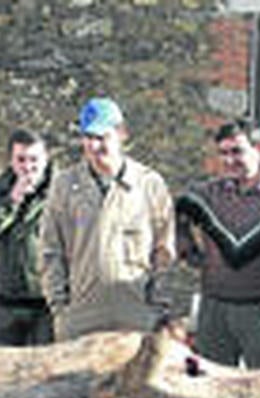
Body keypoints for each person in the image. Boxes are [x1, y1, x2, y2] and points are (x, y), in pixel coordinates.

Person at [38, 97, 175, 340]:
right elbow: (50, 250)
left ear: (122, 133)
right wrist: (60, 307)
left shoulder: (149, 185)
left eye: (102, 137)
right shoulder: (64, 186)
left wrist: (156, 307)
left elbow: (164, 251)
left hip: (135, 316)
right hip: (80, 317)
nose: (94, 146)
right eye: (88, 137)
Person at [175, 118, 260, 372]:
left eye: (237, 151)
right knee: (210, 392)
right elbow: (175, 215)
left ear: (259, 148)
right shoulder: (205, 195)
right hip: (215, 311)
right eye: (223, 153)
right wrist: (189, 252)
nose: (229, 160)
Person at [0, 128, 54, 346]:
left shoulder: (62, 192)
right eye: (21, 159)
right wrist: (10, 201)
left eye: (34, 159)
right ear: (11, 161)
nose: (27, 167)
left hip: (47, 307)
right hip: (6, 304)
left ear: (46, 159)